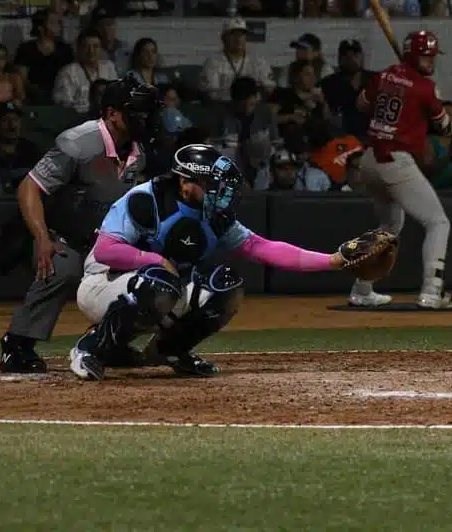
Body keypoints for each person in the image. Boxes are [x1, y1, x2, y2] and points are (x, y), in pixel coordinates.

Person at [66, 145, 360, 381]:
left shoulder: (213, 216)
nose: (219, 192)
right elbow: (105, 250)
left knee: (224, 285)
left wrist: (333, 260)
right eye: (209, 184)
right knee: (161, 279)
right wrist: (154, 259)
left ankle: (169, 350)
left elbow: (264, 248)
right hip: (101, 285)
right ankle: (89, 348)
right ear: (185, 182)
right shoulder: (146, 200)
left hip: (159, 288)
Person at [0, 78, 161, 374]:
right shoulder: (78, 142)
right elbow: (28, 188)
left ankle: (111, 342)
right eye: (136, 111)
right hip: (62, 235)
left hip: (102, 240)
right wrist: (42, 238)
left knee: (152, 274)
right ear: (112, 113)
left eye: (146, 111)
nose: (144, 118)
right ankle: (16, 345)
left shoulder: (139, 153)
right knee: (61, 266)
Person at [352, 30, 452, 310]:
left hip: (369, 161)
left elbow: (361, 104)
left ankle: (361, 289)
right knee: (438, 223)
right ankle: (432, 291)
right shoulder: (426, 88)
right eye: (427, 55)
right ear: (415, 56)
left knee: (389, 226)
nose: (431, 61)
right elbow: (445, 127)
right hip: (395, 161)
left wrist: (397, 90)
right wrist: (439, 111)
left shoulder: (384, 76)